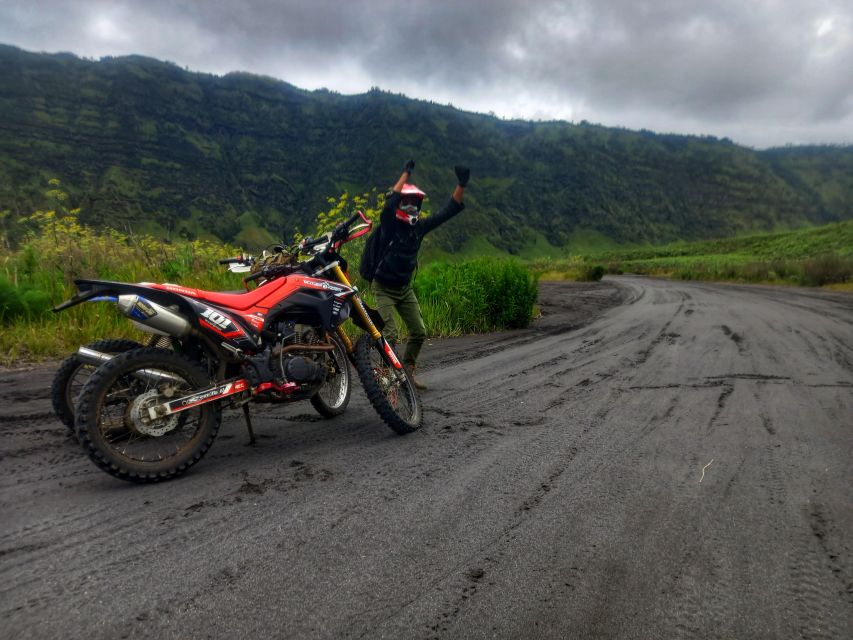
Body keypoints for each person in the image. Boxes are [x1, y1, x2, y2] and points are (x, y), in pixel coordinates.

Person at [369, 160, 470, 390]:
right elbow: (388, 204)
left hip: (404, 289)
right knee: (391, 332)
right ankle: (385, 375)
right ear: (400, 204)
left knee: (419, 331)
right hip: (383, 287)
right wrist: (406, 173)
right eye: (407, 203)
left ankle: (407, 373)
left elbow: (448, 211)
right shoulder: (389, 226)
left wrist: (461, 184)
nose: (412, 208)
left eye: (415, 203)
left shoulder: (419, 228)